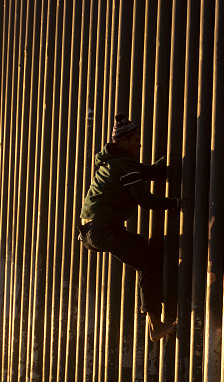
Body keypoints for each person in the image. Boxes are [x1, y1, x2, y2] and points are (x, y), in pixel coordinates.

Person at [78, 112, 182, 342]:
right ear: (123, 141)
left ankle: (156, 307)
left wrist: (174, 155)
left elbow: (152, 172)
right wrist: (176, 203)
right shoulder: (124, 165)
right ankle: (155, 325)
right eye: (136, 139)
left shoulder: (116, 162)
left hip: (92, 230)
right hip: (103, 229)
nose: (139, 143)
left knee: (143, 251)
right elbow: (146, 200)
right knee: (146, 263)